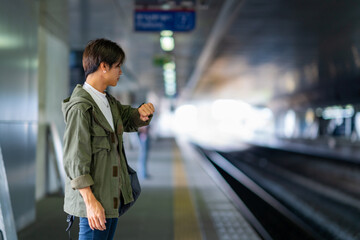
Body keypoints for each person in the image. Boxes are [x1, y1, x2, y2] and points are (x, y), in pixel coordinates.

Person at [62, 38, 155, 240]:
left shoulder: (108, 102)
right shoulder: (81, 107)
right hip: (94, 203)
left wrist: (142, 113)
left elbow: (128, 119)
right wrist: (90, 201)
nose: (120, 72)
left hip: (111, 198)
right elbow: (75, 159)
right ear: (103, 66)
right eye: (118, 66)